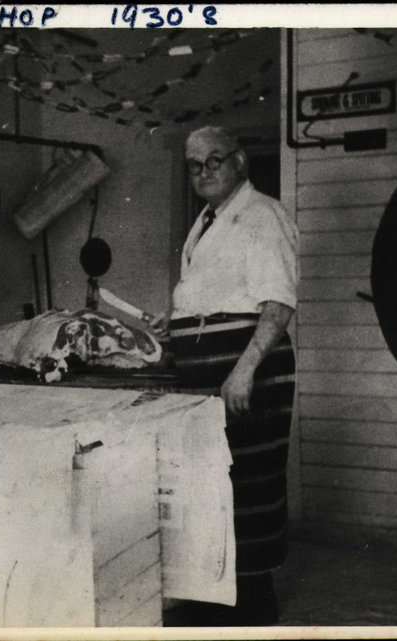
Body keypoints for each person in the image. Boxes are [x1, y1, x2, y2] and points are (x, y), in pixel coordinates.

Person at [148, 126, 298, 626]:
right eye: (195, 165)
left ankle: (253, 606)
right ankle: (212, 594)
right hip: (208, 376)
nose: (204, 172)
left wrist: (243, 372)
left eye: (214, 160)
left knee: (247, 483)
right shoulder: (207, 220)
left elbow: (278, 306)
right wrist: (177, 324)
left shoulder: (263, 215)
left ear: (239, 161)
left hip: (247, 373)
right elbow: (216, 295)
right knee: (208, 483)